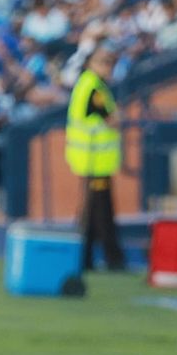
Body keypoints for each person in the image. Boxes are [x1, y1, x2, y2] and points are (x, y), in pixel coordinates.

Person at [66, 46, 125, 271]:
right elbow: (111, 120)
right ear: (91, 63)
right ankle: (113, 258)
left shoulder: (90, 85)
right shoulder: (93, 87)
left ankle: (86, 259)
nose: (108, 67)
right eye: (103, 62)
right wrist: (118, 115)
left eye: (110, 62)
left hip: (93, 160)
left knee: (92, 213)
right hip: (94, 160)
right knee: (101, 212)